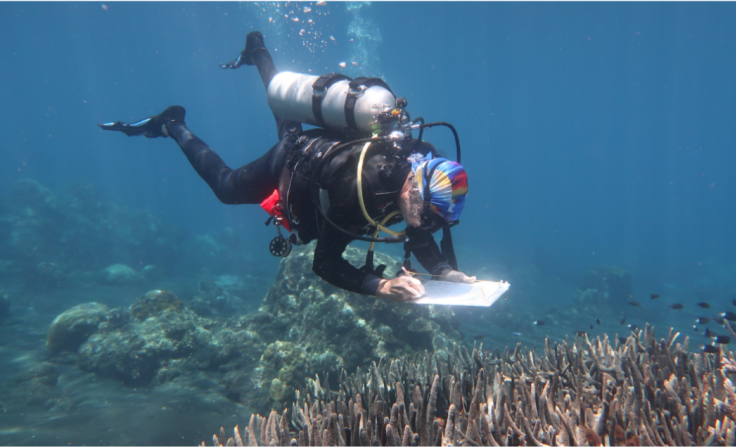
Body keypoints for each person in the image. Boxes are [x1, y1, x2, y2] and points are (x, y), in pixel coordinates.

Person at [99, 32, 474, 303]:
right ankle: (173, 125)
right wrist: (381, 286)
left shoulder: (419, 160)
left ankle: (258, 51)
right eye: (427, 215)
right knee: (228, 188)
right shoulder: (356, 190)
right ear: (412, 188)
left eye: (436, 221)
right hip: (291, 163)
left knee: (285, 115)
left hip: (321, 148)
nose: (427, 226)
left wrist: (444, 272)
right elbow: (324, 263)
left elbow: (418, 228)